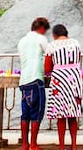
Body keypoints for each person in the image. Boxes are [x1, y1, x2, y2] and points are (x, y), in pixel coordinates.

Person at [44, 24, 83, 150]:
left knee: (61, 115)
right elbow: (78, 60)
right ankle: (74, 146)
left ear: (54, 35)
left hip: (59, 81)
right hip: (74, 80)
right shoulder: (76, 43)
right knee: (73, 115)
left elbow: (47, 68)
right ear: (66, 33)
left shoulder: (52, 46)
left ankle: (62, 146)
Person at [16, 17, 50, 150]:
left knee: (25, 113)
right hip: (36, 79)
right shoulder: (41, 39)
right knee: (36, 112)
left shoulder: (22, 41)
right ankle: (33, 144)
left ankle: (25, 144)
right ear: (41, 28)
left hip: (24, 81)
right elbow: (49, 55)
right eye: (45, 30)